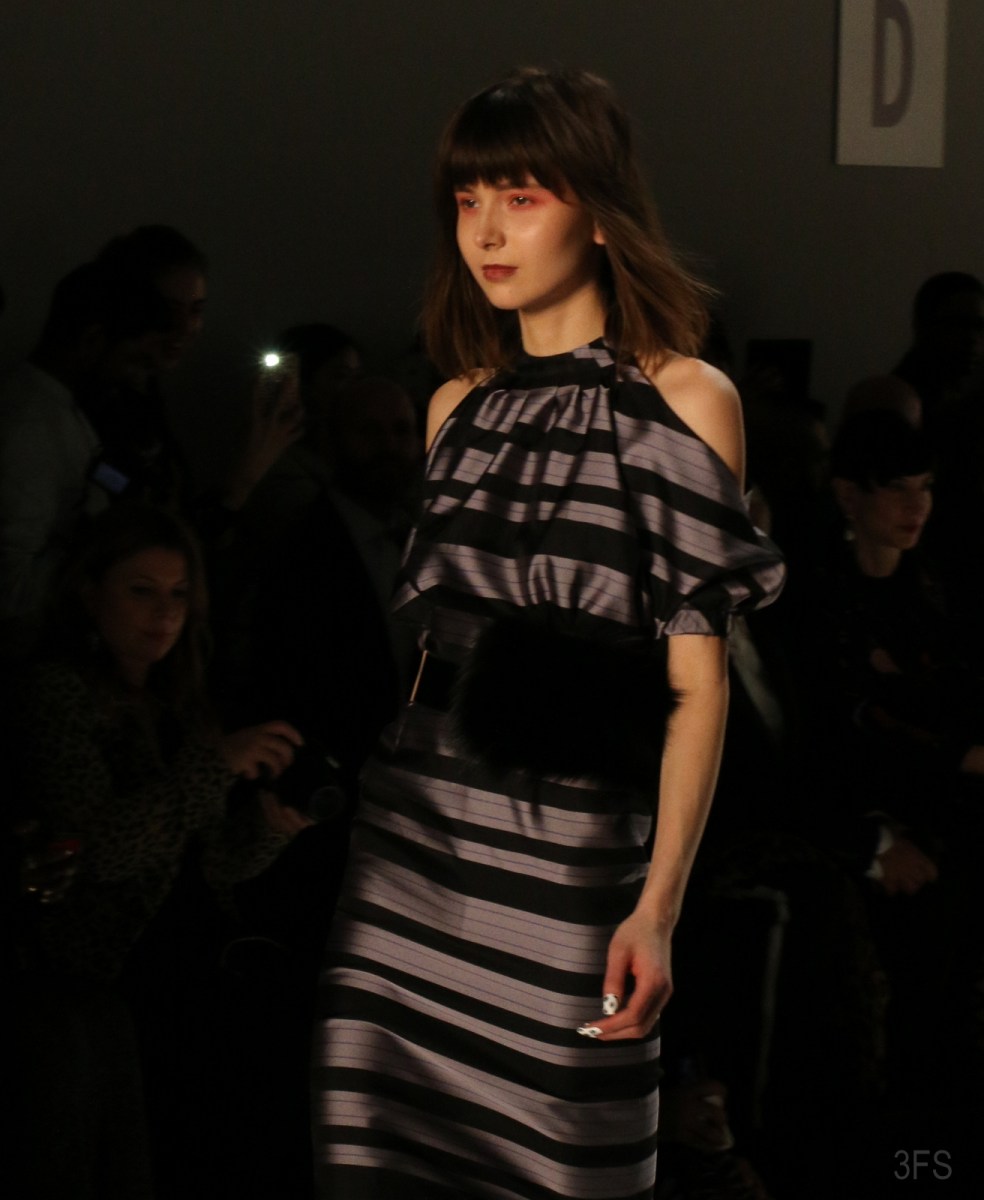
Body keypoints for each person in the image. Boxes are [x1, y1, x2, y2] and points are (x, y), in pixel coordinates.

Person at [312, 67, 785, 1199]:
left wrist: (658, 906)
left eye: (521, 198)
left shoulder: (687, 399)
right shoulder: (456, 405)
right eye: (468, 200)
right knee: (373, 1156)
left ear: (601, 211)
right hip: (408, 841)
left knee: (564, 1159)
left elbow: (699, 684)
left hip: (570, 852)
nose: (486, 230)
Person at [8, 503, 306, 1198]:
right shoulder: (59, 693)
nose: (164, 613)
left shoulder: (179, 705)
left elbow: (208, 863)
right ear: (91, 594)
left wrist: (270, 827)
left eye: (178, 594)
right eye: (141, 591)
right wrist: (214, 765)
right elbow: (98, 850)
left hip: (190, 962)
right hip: (111, 977)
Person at [0, 262, 169, 656]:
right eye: (134, 360)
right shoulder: (29, 429)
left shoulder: (61, 412)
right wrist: (103, 555)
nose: (137, 379)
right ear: (93, 340)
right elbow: (8, 591)